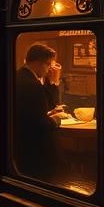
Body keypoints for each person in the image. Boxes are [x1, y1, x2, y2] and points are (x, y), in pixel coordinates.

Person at [14, 43, 64, 183]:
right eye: (48, 64)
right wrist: (56, 119)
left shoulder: (19, 76)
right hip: (32, 148)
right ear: (37, 63)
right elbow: (40, 122)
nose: (49, 69)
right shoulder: (32, 84)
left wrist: (53, 82)